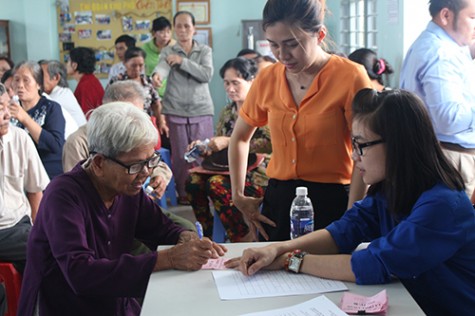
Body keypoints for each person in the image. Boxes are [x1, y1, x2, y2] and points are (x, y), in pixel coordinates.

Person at [226, 89, 475, 315]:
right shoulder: (391, 189)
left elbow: (372, 264)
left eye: (361, 145)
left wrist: (290, 260)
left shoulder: (442, 205)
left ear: (399, 145)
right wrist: (277, 248)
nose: (354, 156)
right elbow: (343, 232)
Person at [18, 102, 227, 316]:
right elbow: (80, 274)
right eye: (135, 165)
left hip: (116, 302)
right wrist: (168, 258)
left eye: (150, 161)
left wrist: (186, 237)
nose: (145, 173)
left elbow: (160, 227)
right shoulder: (63, 196)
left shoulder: (126, 188)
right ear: (99, 163)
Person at [228, 0, 372, 241]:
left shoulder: (350, 77)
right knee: (272, 275)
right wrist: (238, 195)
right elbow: (240, 138)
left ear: (320, 35)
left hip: (333, 199)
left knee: (327, 276)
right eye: (273, 45)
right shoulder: (268, 78)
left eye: (292, 44)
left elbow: (364, 150)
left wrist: (352, 214)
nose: (283, 55)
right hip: (280, 200)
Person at [62, 80, 196, 232]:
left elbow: (154, 161)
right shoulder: (78, 142)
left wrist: (159, 175)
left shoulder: (137, 137)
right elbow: (80, 192)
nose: (135, 123)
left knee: (185, 230)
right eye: (127, 116)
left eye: (139, 114)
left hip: (132, 204)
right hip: (99, 216)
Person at [186, 57, 271, 242]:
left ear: (252, 81)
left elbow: (270, 143)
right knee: (192, 181)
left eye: (235, 83)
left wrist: (229, 141)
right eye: (226, 83)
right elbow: (221, 148)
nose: (230, 88)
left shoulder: (265, 108)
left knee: (216, 183)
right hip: (229, 169)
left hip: (259, 173)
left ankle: (242, 237)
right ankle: (207, 236)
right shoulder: (227, 111)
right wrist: (205, 148)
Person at [400, 0, 475, 197]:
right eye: (472, 17)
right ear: (445, 16)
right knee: (450, 225)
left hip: (440, 156)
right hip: (450, 160)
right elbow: (448, 119)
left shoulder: (439, 44)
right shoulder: (440, 53)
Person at [152, 11, 215, 205]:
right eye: (178, 26)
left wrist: (182, 62)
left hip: (201, 109)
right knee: (180, 157)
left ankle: (206, 193)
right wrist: (157, 75)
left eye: (187, 26)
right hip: (176, 109)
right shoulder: (168, 51)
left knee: (202, 153)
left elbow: (206, 75)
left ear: (194, 28)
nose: (182, 30)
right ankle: (184, 194)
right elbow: (162, 66)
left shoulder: (204, 50)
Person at [0, 83, 49, 274]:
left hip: (20, 224)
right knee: (48, 247)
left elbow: (35, 190)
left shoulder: (20, 138)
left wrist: (40, 229)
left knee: (48, 243)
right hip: (5, 233)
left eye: (7, 106)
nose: (6, 115)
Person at [9, 61, 65, 179]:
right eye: (17, 80)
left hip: (47, 174)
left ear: (39, 84)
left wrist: (25, 119)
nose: (20, 85)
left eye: (26, 80)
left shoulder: (51, 108)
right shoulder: (10, 108)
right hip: (19, 174)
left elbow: (54, 145)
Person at [108, 47, 166, 135]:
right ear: (125, 64)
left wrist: (161, 122)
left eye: (141, 65)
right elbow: (108, 104)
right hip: (123, 127)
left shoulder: (148, 81)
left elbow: (156, 104)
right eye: (133, 65)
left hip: (146, 126)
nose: (137, 69)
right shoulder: (117, 82)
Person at [40, 60, 86, 127]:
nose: (36, 79)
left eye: (41, 75)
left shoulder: (58, 97)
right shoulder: (62, 92)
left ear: (56, 77)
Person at [67, 46, 105, 115]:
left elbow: (87, 115)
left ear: (74, 65)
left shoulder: (86, 85)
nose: (66, 64)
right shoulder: (89, 80)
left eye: (68, 61)